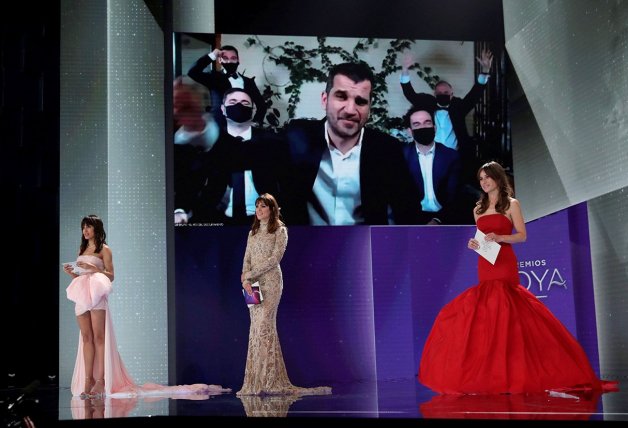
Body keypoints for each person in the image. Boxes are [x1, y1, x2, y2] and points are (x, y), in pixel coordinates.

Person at [417, 162, 619, 395]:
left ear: (497, 178)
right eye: (480, 179)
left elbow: (522, 236)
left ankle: (518, 373)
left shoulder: (512, 205)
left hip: (504, 263)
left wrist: (500, 236)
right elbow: (483, 241)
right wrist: (475, 244)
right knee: (488, 316)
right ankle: (492, 374)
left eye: (487, 178)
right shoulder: (477, 209)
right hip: (486, 263)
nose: (484, 182)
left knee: (509, 312)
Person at [64, 215, 230, 398]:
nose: (85, 231)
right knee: (86, 337)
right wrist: (72, 273)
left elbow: (111, 275)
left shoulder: (104, 249)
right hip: (81, 294)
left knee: (99, 337)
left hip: (96, 294)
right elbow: (81, 275)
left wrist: (95, 269)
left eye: (88, 227)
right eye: (83, 227)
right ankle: (87, 380)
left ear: (97, 228)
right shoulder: (81, 248)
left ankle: (100, 381)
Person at [279, 62, 419, 225]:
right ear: (325, 100)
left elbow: (407, 210)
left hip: (365, 245)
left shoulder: (387, 149)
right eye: (341, 97)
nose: (350, 110)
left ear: (369, 108)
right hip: (307, 245)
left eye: (360, 101)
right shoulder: (297, 139)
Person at [237, 194, 332, 396]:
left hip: (271, 283)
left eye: (263, 207)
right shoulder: (252, 231)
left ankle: (271, 379)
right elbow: (247, 257)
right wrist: (245, 278)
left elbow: (275, 258)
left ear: (272, 209)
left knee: (265, 326)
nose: (259, 210)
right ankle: (256, 381)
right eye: (257, 207)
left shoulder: (280, 230)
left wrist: (250, 274)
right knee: (255, 329)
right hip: (252, 285)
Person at [174, 87, 282, 225]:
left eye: (245, 103)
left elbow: (287, 182)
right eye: (232, 102)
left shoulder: (272, 142)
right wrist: (180, 210)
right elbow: (191, 180)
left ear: (253, 110)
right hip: (217, 219)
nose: (238, 106)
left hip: (264, 221)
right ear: (223, 109)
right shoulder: (210, 142)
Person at [403, 106, 461, 225]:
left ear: (434, 128)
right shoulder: (401, 157)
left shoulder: (451, 157)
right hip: (412, 218)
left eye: (427, 122)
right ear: (410, 131)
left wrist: (438, 220)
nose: (423, 127)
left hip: (446, 217)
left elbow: (454, 196)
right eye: (417, 124)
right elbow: (399, 197)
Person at [188, 45, 267, 128]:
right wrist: (212, 55)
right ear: (219, 60)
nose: (229, 61)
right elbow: (192, 72)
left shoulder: (248, 82)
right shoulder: (213, 78)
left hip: (243, 129)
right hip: (219, 129)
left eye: (233, 58)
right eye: (225, 58)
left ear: (238, 60)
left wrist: (256, 123)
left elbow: (261, 105)